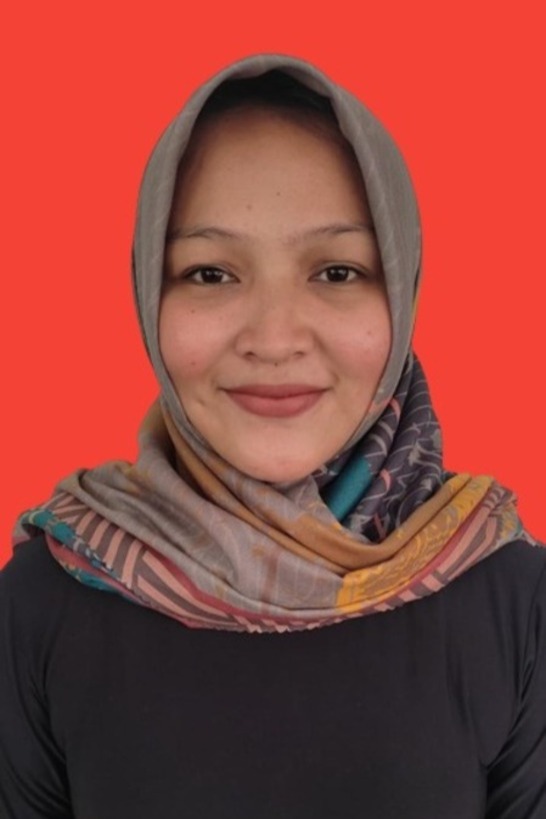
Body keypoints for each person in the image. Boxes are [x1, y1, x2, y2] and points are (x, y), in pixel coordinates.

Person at [1, 54, 545, 819]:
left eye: (337, 271)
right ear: (148, 293)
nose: (274, 337)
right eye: (210, 273)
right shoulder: (44, 602)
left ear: (402, 288)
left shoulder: (515, 604)